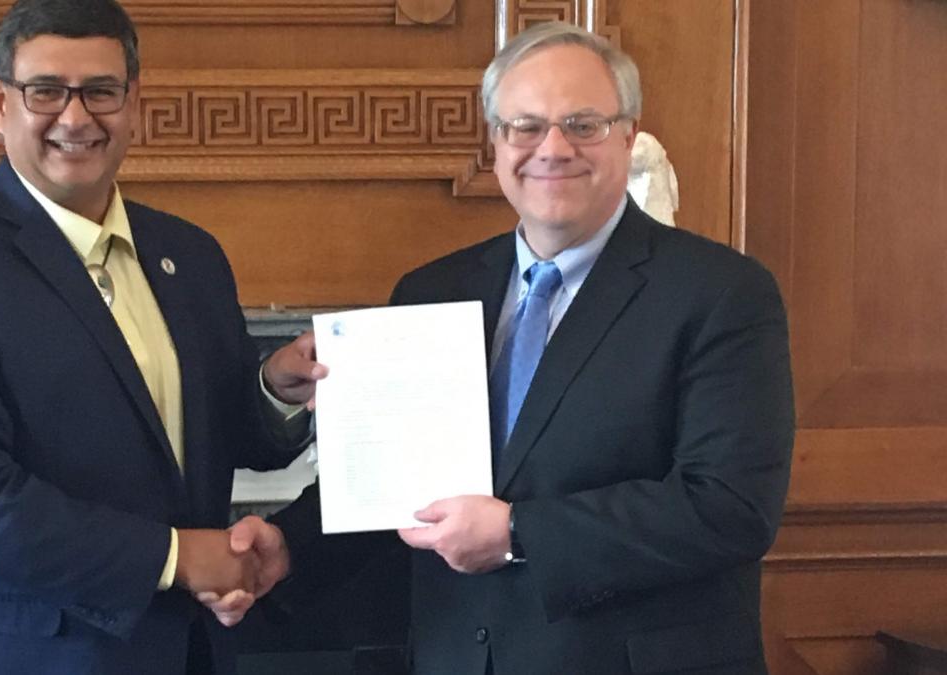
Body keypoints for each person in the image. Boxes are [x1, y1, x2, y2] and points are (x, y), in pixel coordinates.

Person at [217, 21, 795, 675]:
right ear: (495, 143)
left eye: (583, 124)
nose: (552, 147)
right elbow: (400, 490)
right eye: (525, 125)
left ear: (629, 135)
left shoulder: (721, 292)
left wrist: (519, 532)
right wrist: (289, 545)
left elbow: (730, 507)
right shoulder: (432, 290)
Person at [0, 1, 320, 673]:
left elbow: (211, 439)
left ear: (133, 102)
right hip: (5, 654)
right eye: (45, 90)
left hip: (173, 648)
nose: (75, 118)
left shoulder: (188, 254)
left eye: (100, 91)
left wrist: (275, 388)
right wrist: (179, 556)